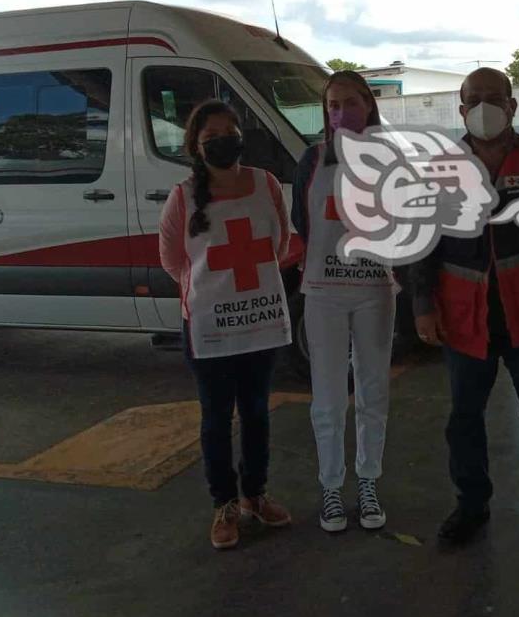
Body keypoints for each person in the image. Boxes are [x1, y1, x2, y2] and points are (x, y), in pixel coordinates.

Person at [413, 67, 519, 553]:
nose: (485, 106)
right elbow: (423, 243)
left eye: (496, 97)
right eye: (475, 99)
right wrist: (422, 305)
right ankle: (471, 505)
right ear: (462, 109)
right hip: (464, 318)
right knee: (464, 419)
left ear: (512, 106)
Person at [159, 99, 294, 550]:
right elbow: (173, 261)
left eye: (229, 133)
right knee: (216, 418)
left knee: (256, 412)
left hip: (258, 322)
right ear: (196, 148)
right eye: (211, 137)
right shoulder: (183, 197)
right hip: (209, 327)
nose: (223, 142)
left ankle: (256, 494)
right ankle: (225, 504)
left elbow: (281, 242)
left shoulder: (266, 184)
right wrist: (217, 293)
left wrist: (243, 293)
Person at [291, 70, 396, 534]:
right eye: (332, 105)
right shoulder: (312, 160)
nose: (340, 114)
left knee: (374, 392)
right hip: (324, 294)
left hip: (375, 291)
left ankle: (368, 481)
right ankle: (331, 488)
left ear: (368, 105)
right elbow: (302, 221)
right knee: (328, 397)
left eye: (350, 103)